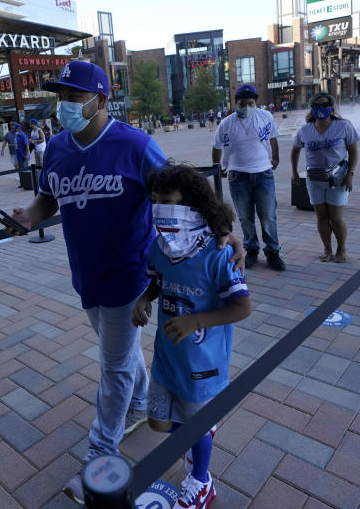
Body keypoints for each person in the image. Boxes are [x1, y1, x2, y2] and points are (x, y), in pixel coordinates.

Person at [2, 61, 243, 504]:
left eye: (75, 97)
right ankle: (136, 406)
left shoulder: (134, 145)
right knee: (122, 352)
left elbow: (182, 189)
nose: (66, 106)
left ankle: (100, 453)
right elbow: (47, 199)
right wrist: (26, 218)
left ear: (100, 101)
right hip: (86, 275)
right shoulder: (55, 148)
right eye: (62, 97)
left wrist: (222, 232)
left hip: (132, 272)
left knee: (111, 366)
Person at [132, 164, 251, 509]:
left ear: (192, 203)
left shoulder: (218, 253)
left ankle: (202, 480)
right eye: (154, 200)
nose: (158, 208)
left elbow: (242, 307)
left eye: (167, 200)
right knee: (158, 423)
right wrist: (143, 298)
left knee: (194, 430)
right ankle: (200, 436)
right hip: (168, 357)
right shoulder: (161, 247)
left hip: (203, 365)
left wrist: (196, 321)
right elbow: (156, 282)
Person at [211, 84, 285, 271]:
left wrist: (275, 156)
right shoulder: (227, 123)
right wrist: (218, 167)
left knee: (268, 215)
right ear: (235, 104)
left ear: (256, 103)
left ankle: (273, 252)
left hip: (263, 173)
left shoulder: (265, 117)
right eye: (242, 103)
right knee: (245, 217)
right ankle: (251, 249)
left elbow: (273, 137)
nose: (246, 107)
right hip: (238, 175)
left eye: (250, 103)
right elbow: (217, 146)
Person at [290, 93, 359, 263]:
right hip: (314, 180)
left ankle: (341, 248)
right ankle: (327, 249)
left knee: (335, 217)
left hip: (338, 179)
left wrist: (350, 174)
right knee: (321, 216)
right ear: (312, 108)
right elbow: (295, 151)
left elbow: (353, 151)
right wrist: (294, 172)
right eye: (317, 105)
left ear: (331, 107)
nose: (321, 108)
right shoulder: (305, 130)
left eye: (325, 104)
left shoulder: (343, 126)